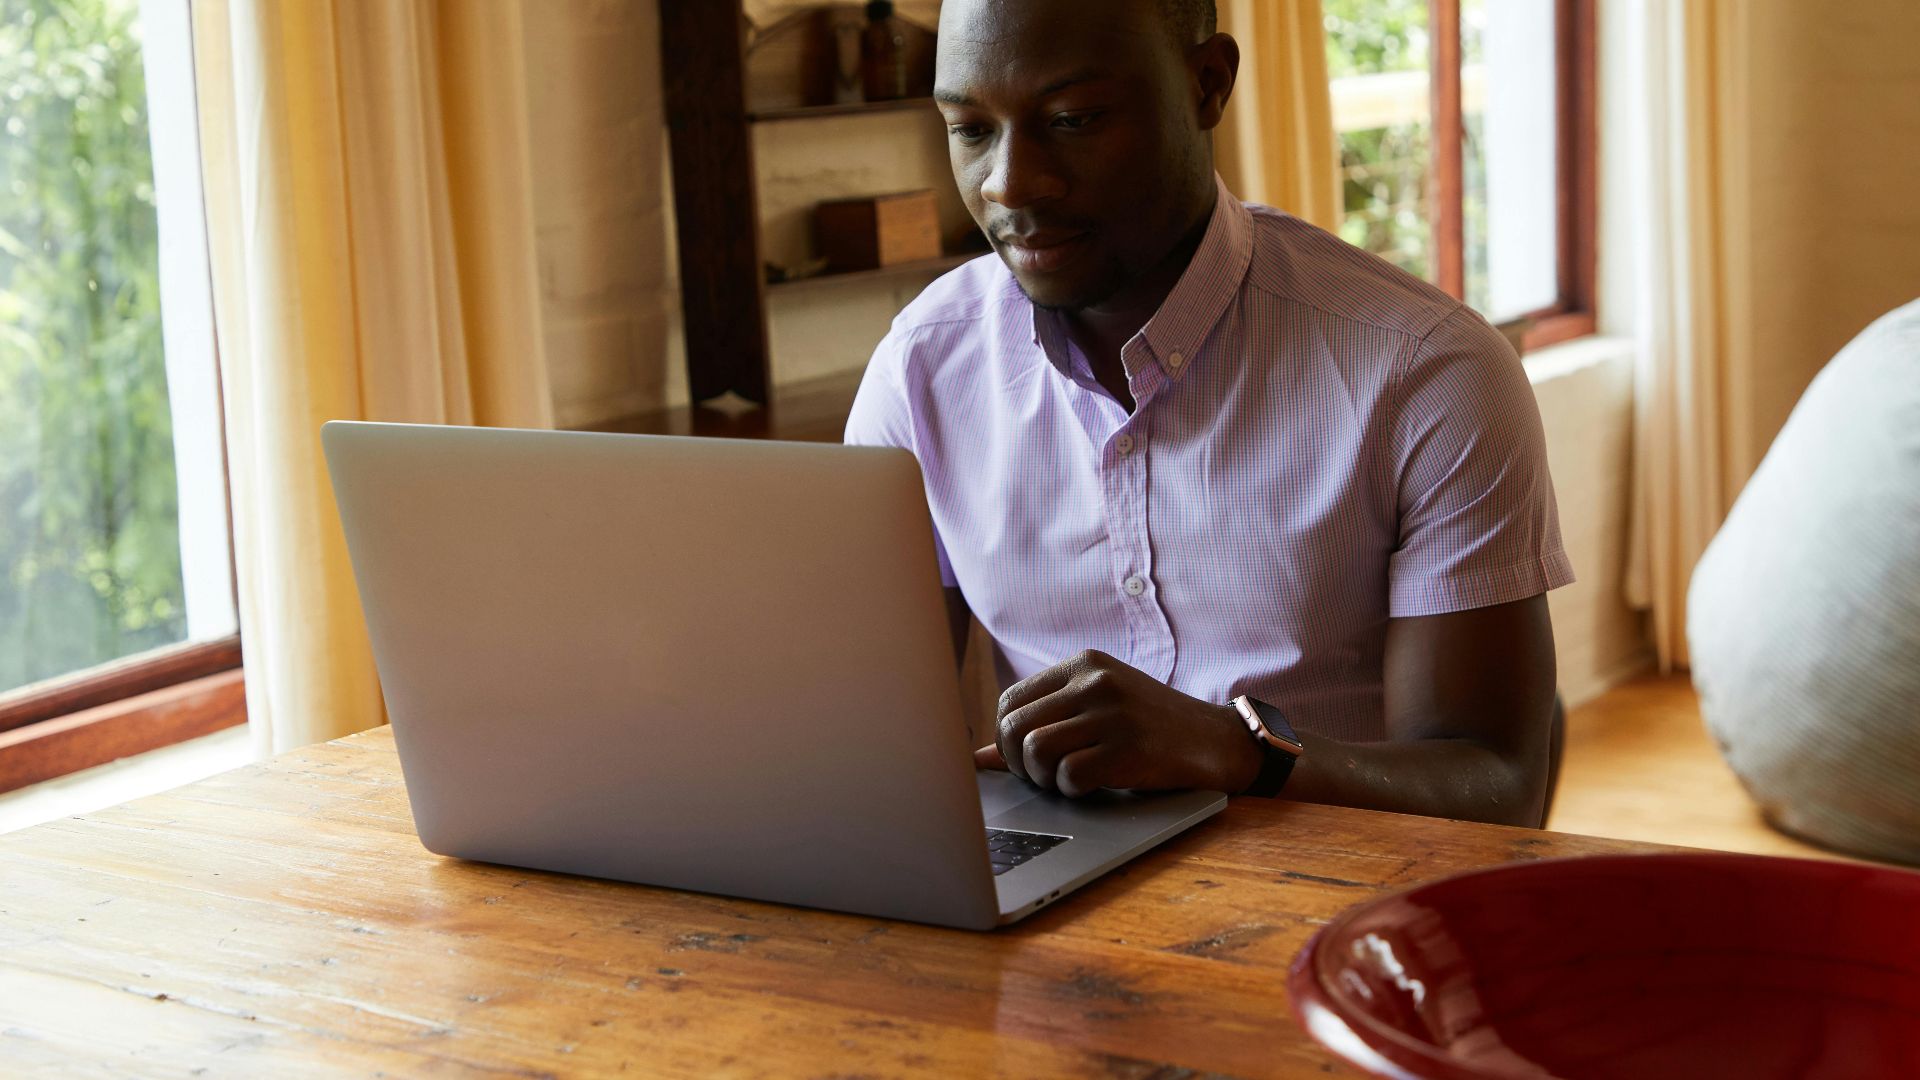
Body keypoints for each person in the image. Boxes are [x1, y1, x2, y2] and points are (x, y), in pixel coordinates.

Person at [845, 0, 1573, 826]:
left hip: (1349, 915)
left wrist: (1238, 751)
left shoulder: (1426, 374)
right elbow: (863, 737)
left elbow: (1497, 788)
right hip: (1062, 910)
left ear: (1208, 84)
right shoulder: (922, 370)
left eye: (1073, 119)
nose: (1010, 182)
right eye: (971, 130)